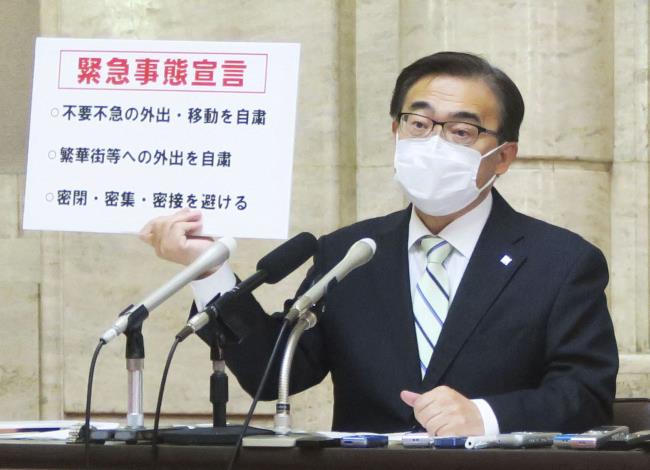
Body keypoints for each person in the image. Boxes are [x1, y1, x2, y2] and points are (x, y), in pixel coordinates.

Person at [140, 52, 618, 436]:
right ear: (396, 131)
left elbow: (586, 393)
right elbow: (275, 374)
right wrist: (207, 269)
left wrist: (485, 417)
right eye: (419, 124)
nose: (434, 142)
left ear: (503, 157)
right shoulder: (350, 253)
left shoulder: (562, 261)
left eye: (461, 131)